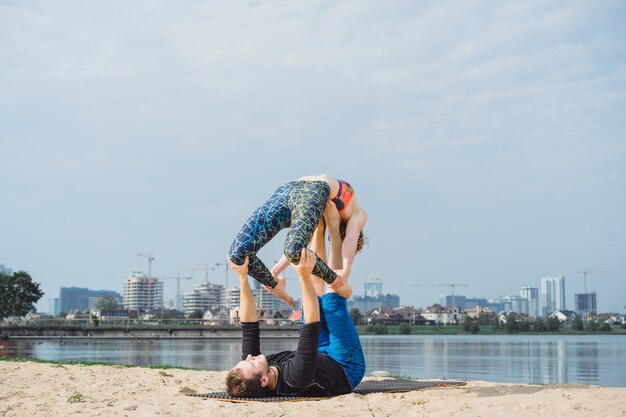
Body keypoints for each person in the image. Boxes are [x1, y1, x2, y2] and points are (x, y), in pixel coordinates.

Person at [225, 250, 366, 398]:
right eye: (250, 362)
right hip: (343, 366)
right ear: (264, 381)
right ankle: (334, 232)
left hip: (316, 356)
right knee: (331, 303)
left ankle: (319, 230)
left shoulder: (256, 368)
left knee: (312, 298)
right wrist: (303, 276)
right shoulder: (295, 378)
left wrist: (242, 276)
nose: (249, 357)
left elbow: (249, 327)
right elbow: (312, 327)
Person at [228, 174, 367, 306]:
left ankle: (276, 285)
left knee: (294, 251)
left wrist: (274, 271)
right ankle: (337, 283)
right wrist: (345, 271)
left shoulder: (323, 212)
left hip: (294, 193)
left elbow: (296, 247)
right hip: (294, 189)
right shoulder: (358, 214)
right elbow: (351, 239)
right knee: (236, 254)